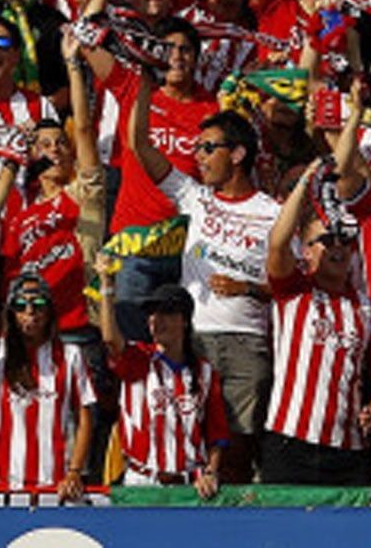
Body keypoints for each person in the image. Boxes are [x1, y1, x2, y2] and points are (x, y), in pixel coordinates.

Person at [127, 104, 279, 482]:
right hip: (193, 340)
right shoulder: (193, 196)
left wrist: (248, 288)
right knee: (191, 436)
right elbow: (139, 145)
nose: (198, 157)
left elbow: (290, 285)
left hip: (248, 340)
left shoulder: (272, 212)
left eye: (208, 148)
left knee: (241, 444)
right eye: (197, 149)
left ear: (238, 154)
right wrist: (144, 83)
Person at [260, 153, 371, 487]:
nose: (338, 247)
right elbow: (277, 243)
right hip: (290, 443)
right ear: (306, 251)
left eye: (346, 240)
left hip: (348, 452)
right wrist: (307, 182)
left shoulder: (369, 309)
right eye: (327, 239)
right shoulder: (293, 290)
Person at [0, 274, 97, 496]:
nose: (30, 312)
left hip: (51, 482)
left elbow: (85, 416)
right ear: (11, 313)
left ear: (50, 310)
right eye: (20, 305)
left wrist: (75, 471)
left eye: (38, 304)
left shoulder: (71, 355)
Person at [98, 284, 226, 495]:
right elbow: (110, 339)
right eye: (152, 314)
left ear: (184, 320)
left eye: (166, 313)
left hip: (191, 485)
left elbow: (216, 434)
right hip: (143, 482)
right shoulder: (138, 359)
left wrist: (211, 472)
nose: (156, 320)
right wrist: (107, 287)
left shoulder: (205, 371)